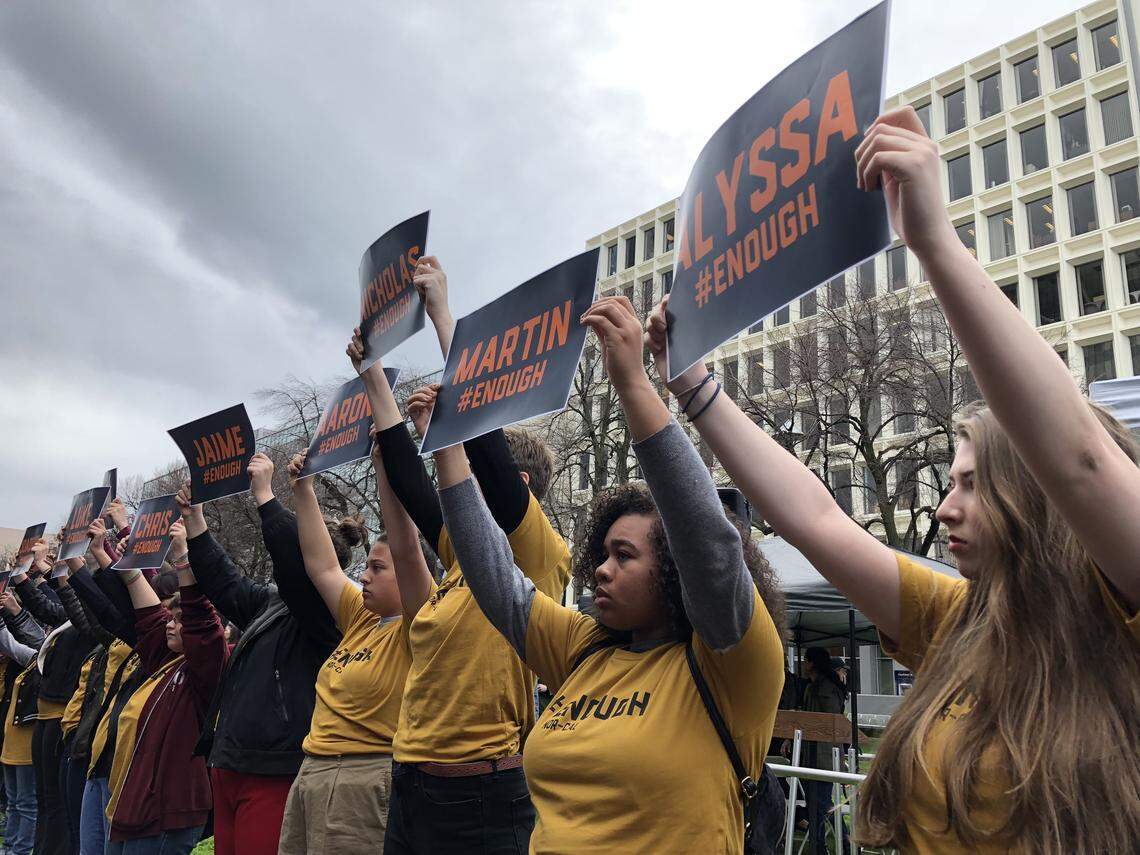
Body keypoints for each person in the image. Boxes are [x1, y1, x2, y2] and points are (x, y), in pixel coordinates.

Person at [647, 105, 1140, 853]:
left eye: (971, 484)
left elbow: (1081, 459)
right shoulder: (958, 621)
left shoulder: (1119, 613)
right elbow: (816, 519)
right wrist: (692, 386)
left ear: (1040, 494)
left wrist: (933, 243)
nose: (945, 509)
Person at [414, 293, 787, 852]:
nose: (602, 573)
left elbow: (707, 541)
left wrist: (633, 384)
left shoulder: (731, 664)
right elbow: (493, 575)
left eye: (624, 556)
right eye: (603, 555)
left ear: (676, 570)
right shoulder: (583, 649)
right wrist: (446, 444)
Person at [363, 257, 573, 853]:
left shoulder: (537, 553)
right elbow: (414, 489)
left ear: (521, 488)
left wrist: (442, 315)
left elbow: (490, 461)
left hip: (479, 796)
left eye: (472, 479)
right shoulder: (460, 557)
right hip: (412, 784)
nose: (459, 490)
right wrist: (372, 374)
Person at [278, 368, 432, 851]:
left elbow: (406, 545)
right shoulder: (362, 620)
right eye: (366, 566)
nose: (363, 576)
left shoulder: (420, 622)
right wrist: (302, 490)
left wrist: (386, 466)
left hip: (364, 781)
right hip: (312, 774)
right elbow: (323, 567)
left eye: (377, 568)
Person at [177, 451, 342, 855]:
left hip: (275, 768)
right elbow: (225, 582)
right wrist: (196, 520)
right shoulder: (271, 604)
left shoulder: (328, 614)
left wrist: (266, 496)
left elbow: (295, 565)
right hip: (231, 761)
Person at [103, 519, 227, 854]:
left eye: (180, 620)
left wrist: (183, 556)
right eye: (172, 618)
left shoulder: (207, 669)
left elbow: (202, 623)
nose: (171, 625)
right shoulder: (165, 661)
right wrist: (126, 565)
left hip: (167, 813)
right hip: (134, 805)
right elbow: (150, 615)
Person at [10, 539, 96, 855]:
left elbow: (64, 605)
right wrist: (21, 575)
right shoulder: (69, 619)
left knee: (58, 802)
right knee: (46, 798)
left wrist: (60, 569)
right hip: (45, 711)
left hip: (64, 717)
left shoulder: (94, 622)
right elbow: (48, 609)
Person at [0, 589, 46, 855]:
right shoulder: (26, 664)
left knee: (26, 803)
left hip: (27, 745)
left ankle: (20, 849)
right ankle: (9, 847)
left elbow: (16, 645)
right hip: (11, 742)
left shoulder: (39, 661)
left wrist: (12, 611)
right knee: (13, 801)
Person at [800, 647, 848, 853]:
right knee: (816, 804)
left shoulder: (826, 688)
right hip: (811, 754)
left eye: (805, 660)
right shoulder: (813, 686)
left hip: (824, 756)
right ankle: (821, 845)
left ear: (812, 663)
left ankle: (844, 842)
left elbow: (832, 723)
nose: (803, 664)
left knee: (822, 804)